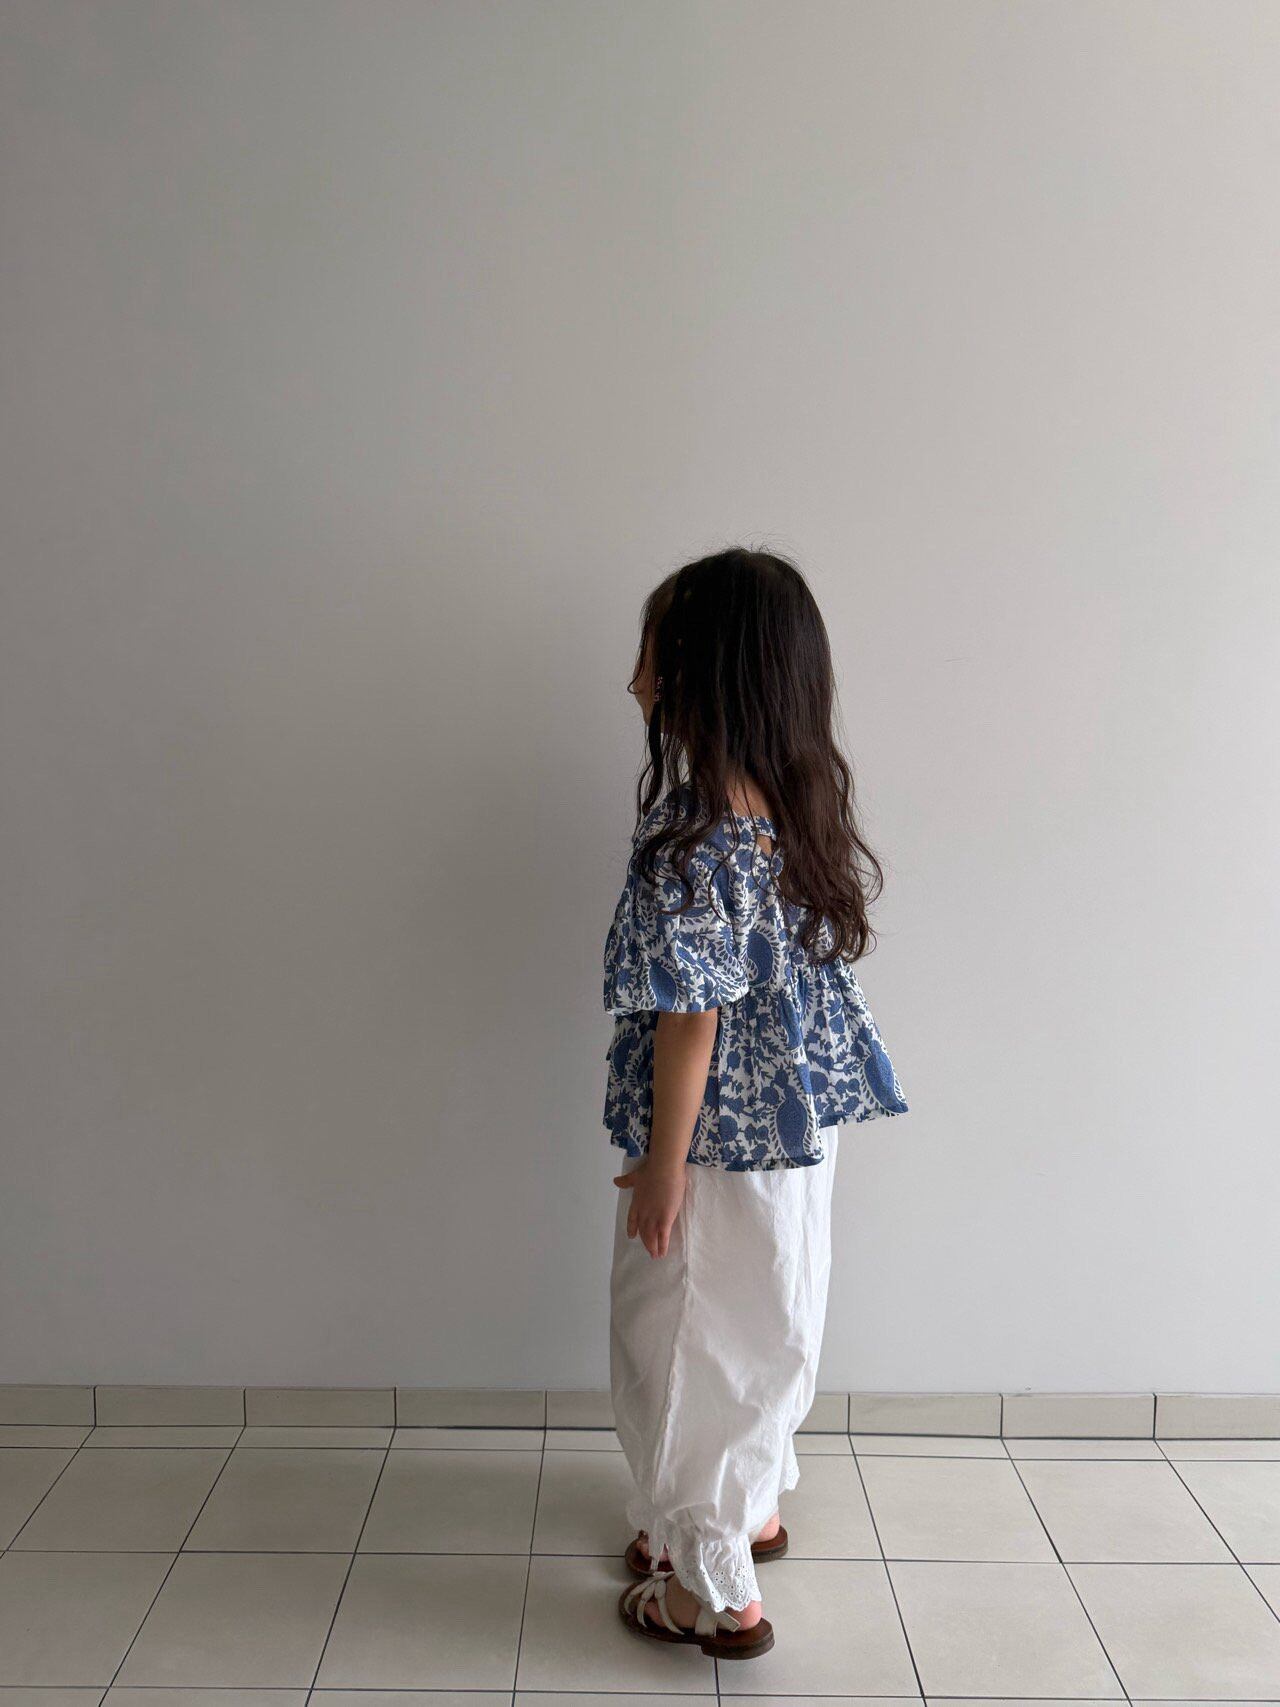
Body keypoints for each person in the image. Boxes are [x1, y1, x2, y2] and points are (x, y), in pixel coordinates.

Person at [603, 547, 908, 1660]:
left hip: (714, 1143)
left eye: (652, 653)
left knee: (680, 1337)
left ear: (707, 672)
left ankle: (712, 1591)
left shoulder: (693, 843)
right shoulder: (792, 812)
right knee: (763, 1318)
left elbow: (691, 1021)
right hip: (789, 1138)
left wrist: (662, 1163)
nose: (635, 678)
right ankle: (744, 1510)